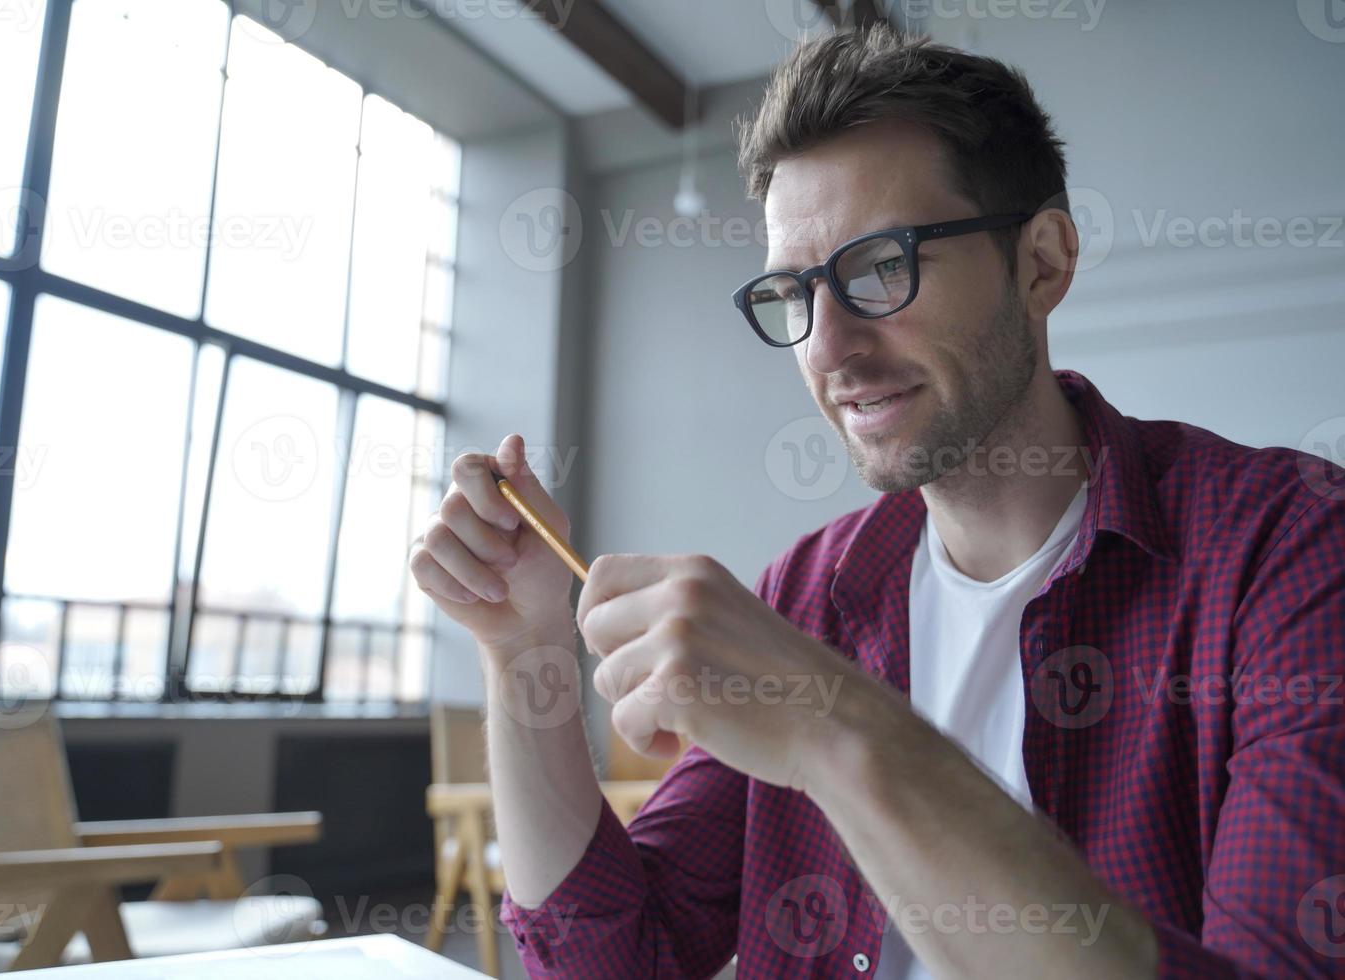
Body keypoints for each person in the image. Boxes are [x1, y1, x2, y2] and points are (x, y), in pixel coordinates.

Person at [408, 24, 1345, 979]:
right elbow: (623, 959)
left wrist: (837, 729)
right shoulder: (808, 595)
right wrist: (522, 645)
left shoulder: (1291, 547)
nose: (826, 349)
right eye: (794, 291)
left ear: (1043, 262)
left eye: (880, 267)